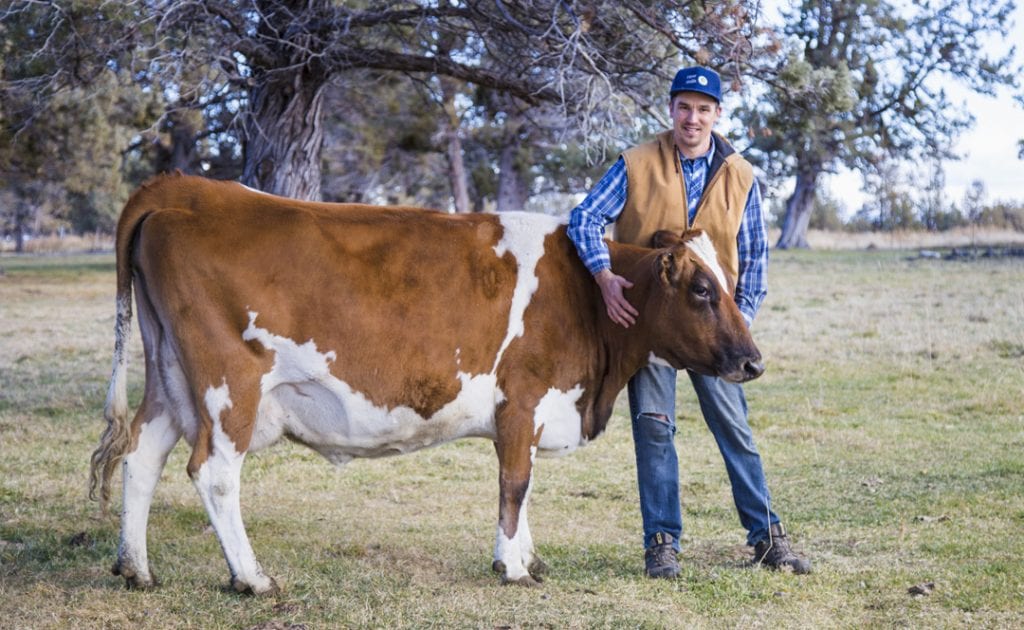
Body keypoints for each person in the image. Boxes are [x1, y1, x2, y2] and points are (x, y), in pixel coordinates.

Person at [567, 66, 810, 578]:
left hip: (712, 328)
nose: (692, 118)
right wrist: (605, 277)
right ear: (670, 109)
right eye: (684, 107)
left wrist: (735, 326)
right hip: (652, 326)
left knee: (734, 428)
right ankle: (661, 545)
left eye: (703, 109)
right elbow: (584, 219)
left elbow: (755, 260)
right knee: (654, 431)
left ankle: (768, 539)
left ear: (717, 114)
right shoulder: (636, 163)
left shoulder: (741, 174)